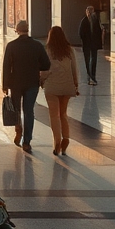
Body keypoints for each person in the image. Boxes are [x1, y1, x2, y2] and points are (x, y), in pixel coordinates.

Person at [2, 20, 51, 153]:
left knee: (16, 109)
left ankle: (18, 130)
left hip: (15, 83)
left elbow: (6, 66)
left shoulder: (11, 46)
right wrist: (35, 67)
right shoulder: (37, 45)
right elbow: (46, 64)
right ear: (28, 30)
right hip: (32, 83)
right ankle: (27, 141)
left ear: (17, 30)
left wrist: (5, 85)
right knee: (29, 111)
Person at [42, 25, 79, 156]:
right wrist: (75, 84)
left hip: (52, 86)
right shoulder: (69, 50)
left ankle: (57, 140)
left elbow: (45, 70)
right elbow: (74, 68)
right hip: (67, 85)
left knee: (54, 115)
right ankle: (66, 138)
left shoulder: (48, 50)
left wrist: (41, 80)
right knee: (63, 114)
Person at [79, 5, 103, 86]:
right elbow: (81, 33)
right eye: (88, 11)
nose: (89, 13)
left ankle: (93, 75)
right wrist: (85, 40)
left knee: (93, 60)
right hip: (87, 44)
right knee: (87, 60)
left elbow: (99, 31)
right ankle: (89, 76)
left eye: (91, 11)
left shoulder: (96, 21)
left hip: (94, 44)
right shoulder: (84, 21)